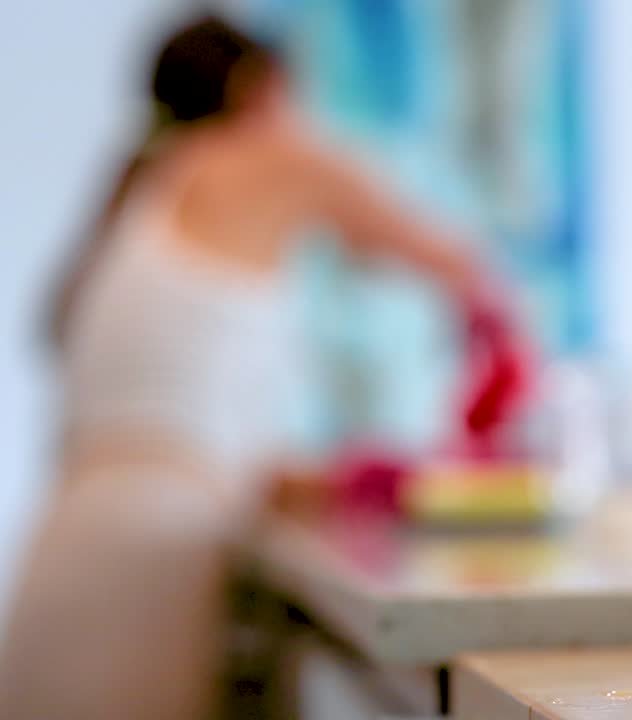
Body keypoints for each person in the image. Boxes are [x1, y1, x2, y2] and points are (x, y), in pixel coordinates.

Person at [0, 15, 521, 719]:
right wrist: (497, 335)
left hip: (70, 554)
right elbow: (453, 260)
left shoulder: (145, 191)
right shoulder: (260, 157)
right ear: (260, 87)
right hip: (148, 567)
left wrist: (350, 480)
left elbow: (174, 432)